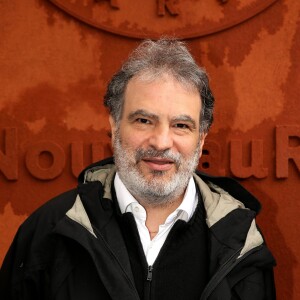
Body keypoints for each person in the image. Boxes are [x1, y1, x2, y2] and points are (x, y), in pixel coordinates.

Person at [0, 38, 276, 300]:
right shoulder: (49, 230)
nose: (161, 142)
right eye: (144, 120)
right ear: (114, 124)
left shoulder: (241, 244)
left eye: (181, 125)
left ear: (201, 137)